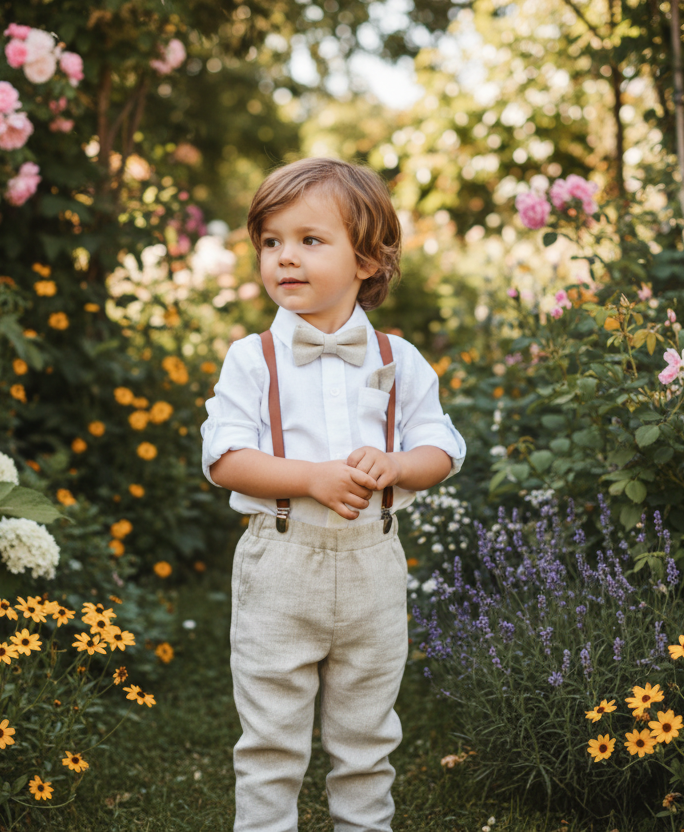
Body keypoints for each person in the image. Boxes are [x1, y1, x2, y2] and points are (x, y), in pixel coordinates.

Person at [200, 156, 466, 832]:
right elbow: (225, 458)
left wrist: (399, 465)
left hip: (374, 570)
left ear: (369, 260)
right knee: (270, 739)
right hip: (280, 569)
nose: (285, 257)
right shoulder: (249, 358)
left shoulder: (399, 360)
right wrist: (310, 477)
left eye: (310, 241)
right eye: (271, 241)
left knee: (367, 737)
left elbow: (444, 449)